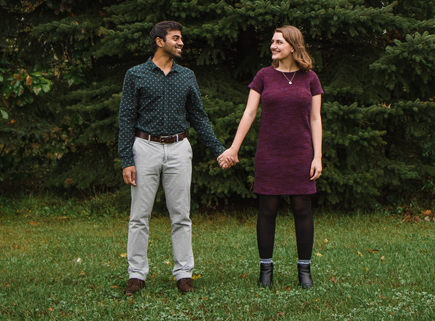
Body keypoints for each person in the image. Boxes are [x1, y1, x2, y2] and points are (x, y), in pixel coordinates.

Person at [118, 21, 234, 296]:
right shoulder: (135, 75)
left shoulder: (187, 76)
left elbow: (198, 117)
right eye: (176, 38)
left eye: (181, 39)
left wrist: (219, 150)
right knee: (139, 216)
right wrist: (126, 159)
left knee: (181, 215)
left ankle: (184, 274)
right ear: (159, 41)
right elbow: (126, 118)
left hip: (180, 149)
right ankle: (136, 275)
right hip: (144, 149)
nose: (181, 43)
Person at [218, 25, 323, 289]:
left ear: (293, 46)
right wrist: (234, 148)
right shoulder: (264, 75)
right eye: (272, 42)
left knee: (302, 209)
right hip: (269, 153)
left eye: (279, 42)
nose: (273, 46)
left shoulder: (310, 78)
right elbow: (249, 113)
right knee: (268, 209)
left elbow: (315, 118)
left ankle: (304, 270)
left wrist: (317, 156)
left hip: (300, 154)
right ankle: (266, 269)